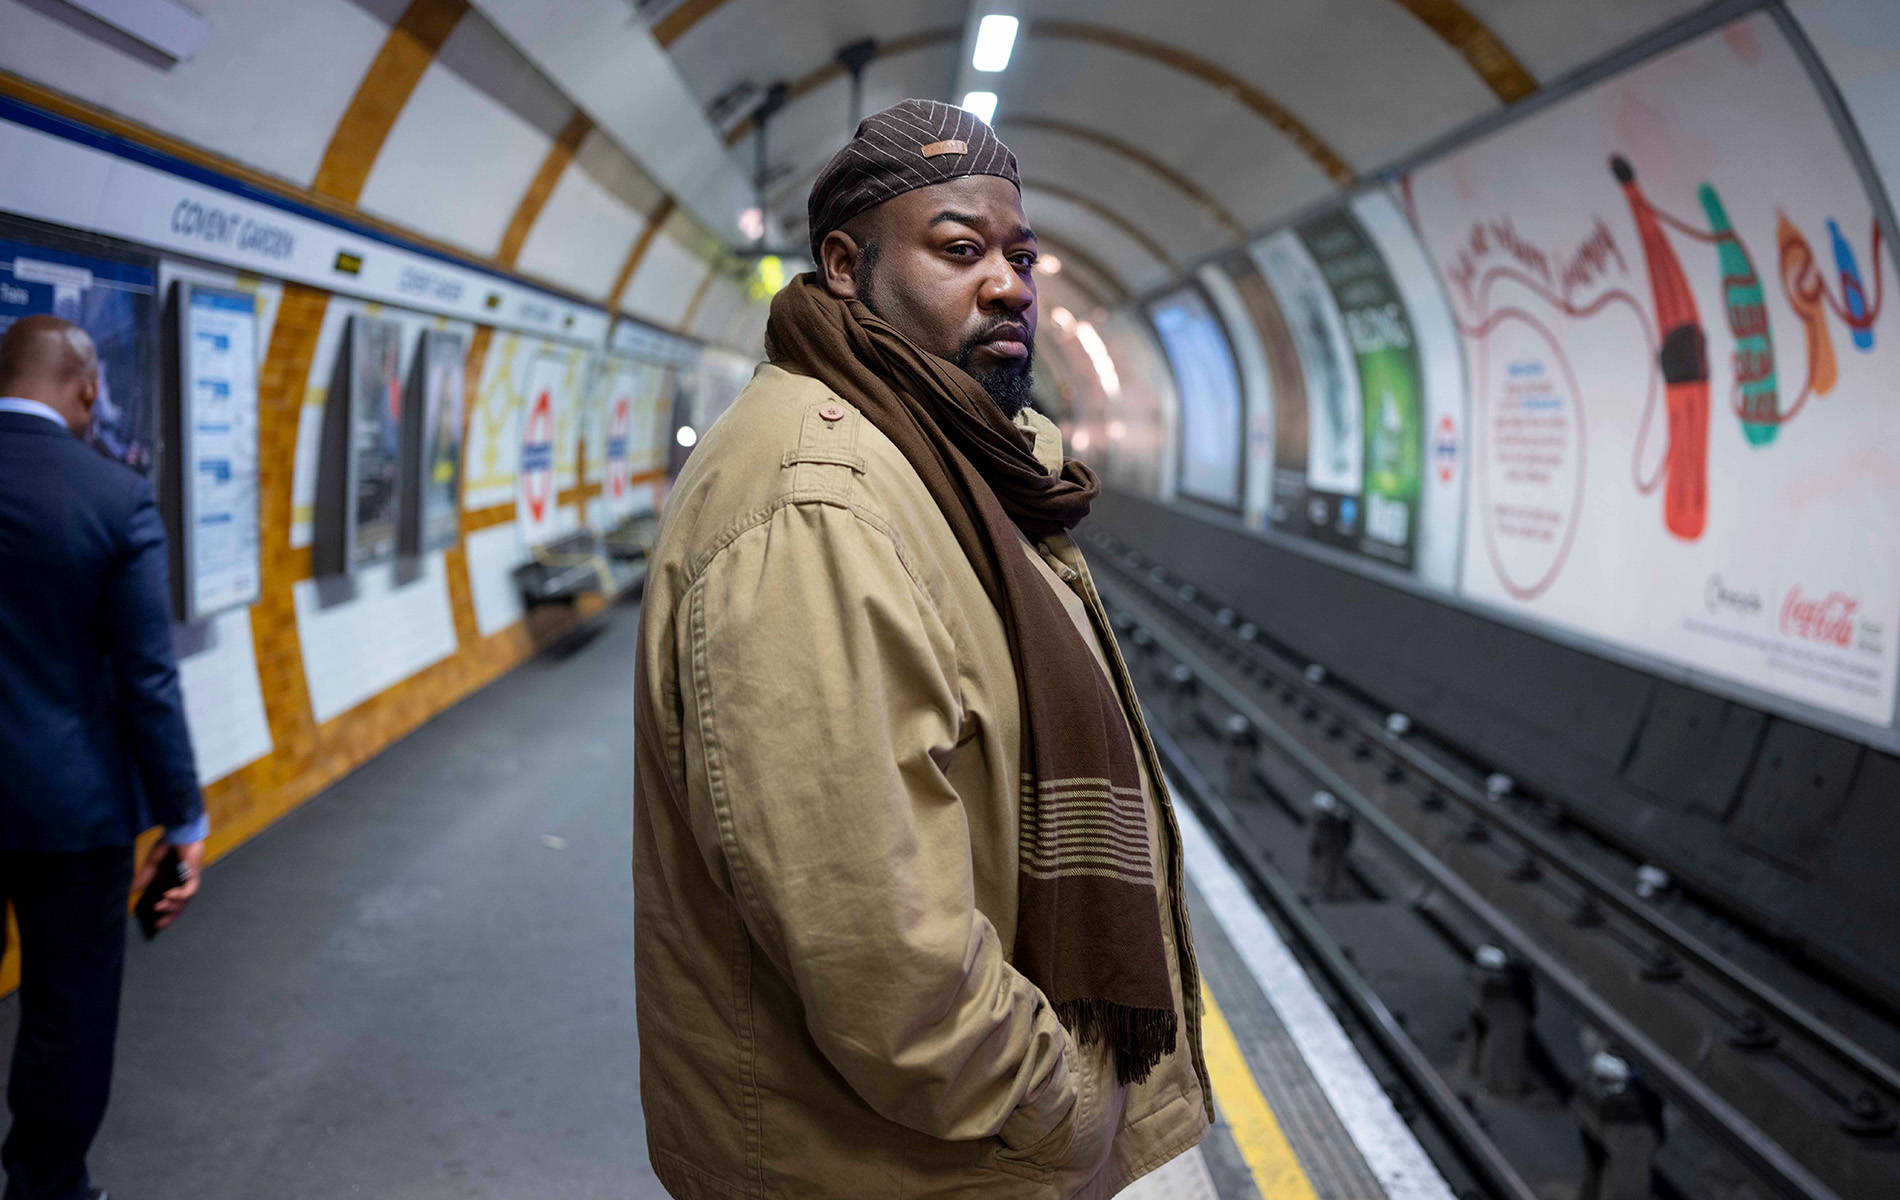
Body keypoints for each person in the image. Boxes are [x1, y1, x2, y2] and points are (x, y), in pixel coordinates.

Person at [632, 100, 1208, 1198]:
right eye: (958, 250)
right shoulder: (821, 509)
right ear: (845, 266)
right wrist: (1060, 1103)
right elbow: (874, 945)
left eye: (1018, 252)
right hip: (892, 1164)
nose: (1008, 283)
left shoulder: (955, 462)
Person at [0, 315, 208, 1200]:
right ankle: (45, 1189)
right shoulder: (112, 496)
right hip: (70, 809)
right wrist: (183, 816)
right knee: (65, 1014)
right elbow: (146, 679)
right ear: (86, 390)